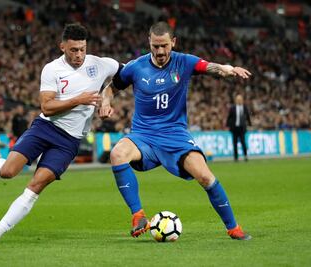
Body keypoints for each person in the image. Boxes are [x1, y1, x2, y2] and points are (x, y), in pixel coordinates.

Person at [0, 23, 120, 243]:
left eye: (82, 49)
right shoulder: (52, 69)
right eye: (74, 50)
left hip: (69, 141)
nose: (79, 54)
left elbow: (125, 75)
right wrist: (78, 100)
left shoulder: (101, 64)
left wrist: (106, 99)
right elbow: (46, 107)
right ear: (62, 46)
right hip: (44, 128)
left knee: (36, 185)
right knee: (9, 171)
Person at [99, 22, 252, 240]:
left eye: (164, 46)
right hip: (144, 136)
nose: (160, 51)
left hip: (175, 136)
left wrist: (227, 69)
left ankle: (233, 228)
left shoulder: (184, 61)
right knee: (117, 154)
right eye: (155, 46)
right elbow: (110, 88)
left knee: (205, 177)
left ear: (173, 42)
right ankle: (138, 215)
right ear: (149, 43)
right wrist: (105, 103)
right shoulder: (135, 67)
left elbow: (210, 66)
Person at [226, 94, 251, 161]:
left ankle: (245, 156)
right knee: (235, 143)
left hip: (242, 128)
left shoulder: (244, 107)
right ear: (236, 100)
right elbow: (229, 117)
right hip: (234, 128)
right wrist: (228, 125)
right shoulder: (233, 108)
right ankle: (236, 157)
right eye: (238, 100)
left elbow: (248, 116)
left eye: (240, 99)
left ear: (242, 100)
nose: (239, 101)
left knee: (243, 142)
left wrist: (250, 124)